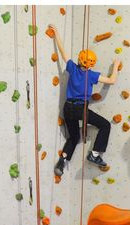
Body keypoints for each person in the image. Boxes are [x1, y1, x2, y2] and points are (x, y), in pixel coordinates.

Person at [48, 24, 121, 176]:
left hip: (68, 108)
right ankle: (94, 154)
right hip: (81, 109)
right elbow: (111, 80)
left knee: (74, 137)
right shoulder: (92, 75)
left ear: (80, 59)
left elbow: (63, 53)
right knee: (105, 125)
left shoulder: (73, 68)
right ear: (91, 63)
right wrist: (116, 66)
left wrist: (56, 35)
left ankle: (62, 162)